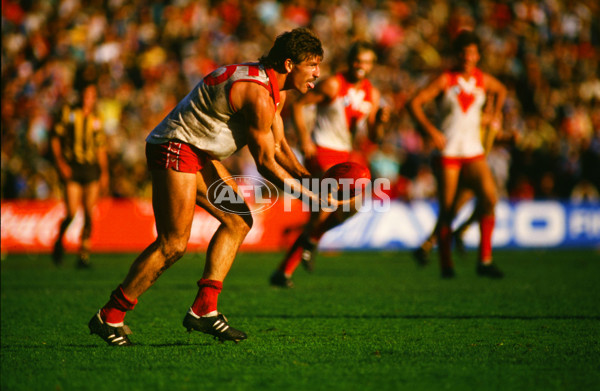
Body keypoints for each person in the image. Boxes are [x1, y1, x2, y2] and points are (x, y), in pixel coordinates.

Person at [88, 28, 331, 346]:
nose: (317, 74)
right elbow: (265, 163)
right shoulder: (259, 93)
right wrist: (311, 195)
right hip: (176, 146)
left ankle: (204, 310)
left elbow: (281, 145)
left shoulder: (275, 89)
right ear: (289, 64)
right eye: (312, 65)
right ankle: (110, 316)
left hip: (195, 149)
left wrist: (312, 180)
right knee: (173, 245)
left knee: (239, 220)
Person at [270, 41, 389, 288]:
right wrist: (304, 139)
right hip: (322, 151)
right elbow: (299, 105)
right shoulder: (334, 84)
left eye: (366, 62)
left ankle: (288, 266)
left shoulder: (372, 94)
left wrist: (379, 122)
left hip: (345, 156)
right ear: (350, 61)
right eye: (358, 60)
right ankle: (308, 244)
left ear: (372, 66)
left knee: (345, 209)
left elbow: (374, 137)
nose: (361, 66)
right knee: (328, 206)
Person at [409, 30, 507, 278]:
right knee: (448, 208)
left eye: (472, 53)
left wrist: (494, 113)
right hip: (449, 151)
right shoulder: (446, 80)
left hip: (473, 150)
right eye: (463, 53)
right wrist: (430, 130)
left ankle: (484, 260)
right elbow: (414, 103)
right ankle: (446, 264)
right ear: (457, 55)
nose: (468, 58)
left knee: (489, 198)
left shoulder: (482, 80)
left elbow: (502, 90)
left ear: (478, 56)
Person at [51, 84, 109, 269]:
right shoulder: (68, 113)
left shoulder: (96, 119)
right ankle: (59, 241)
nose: (87, 99)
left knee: (89, 213)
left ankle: (84, 254)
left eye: (91, 96)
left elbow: (100, 147)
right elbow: (55, 138)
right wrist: (60, 163)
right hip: (73, 166)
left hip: (91, 168)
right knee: (71, 212)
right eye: (85, 95)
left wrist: (104, 171)